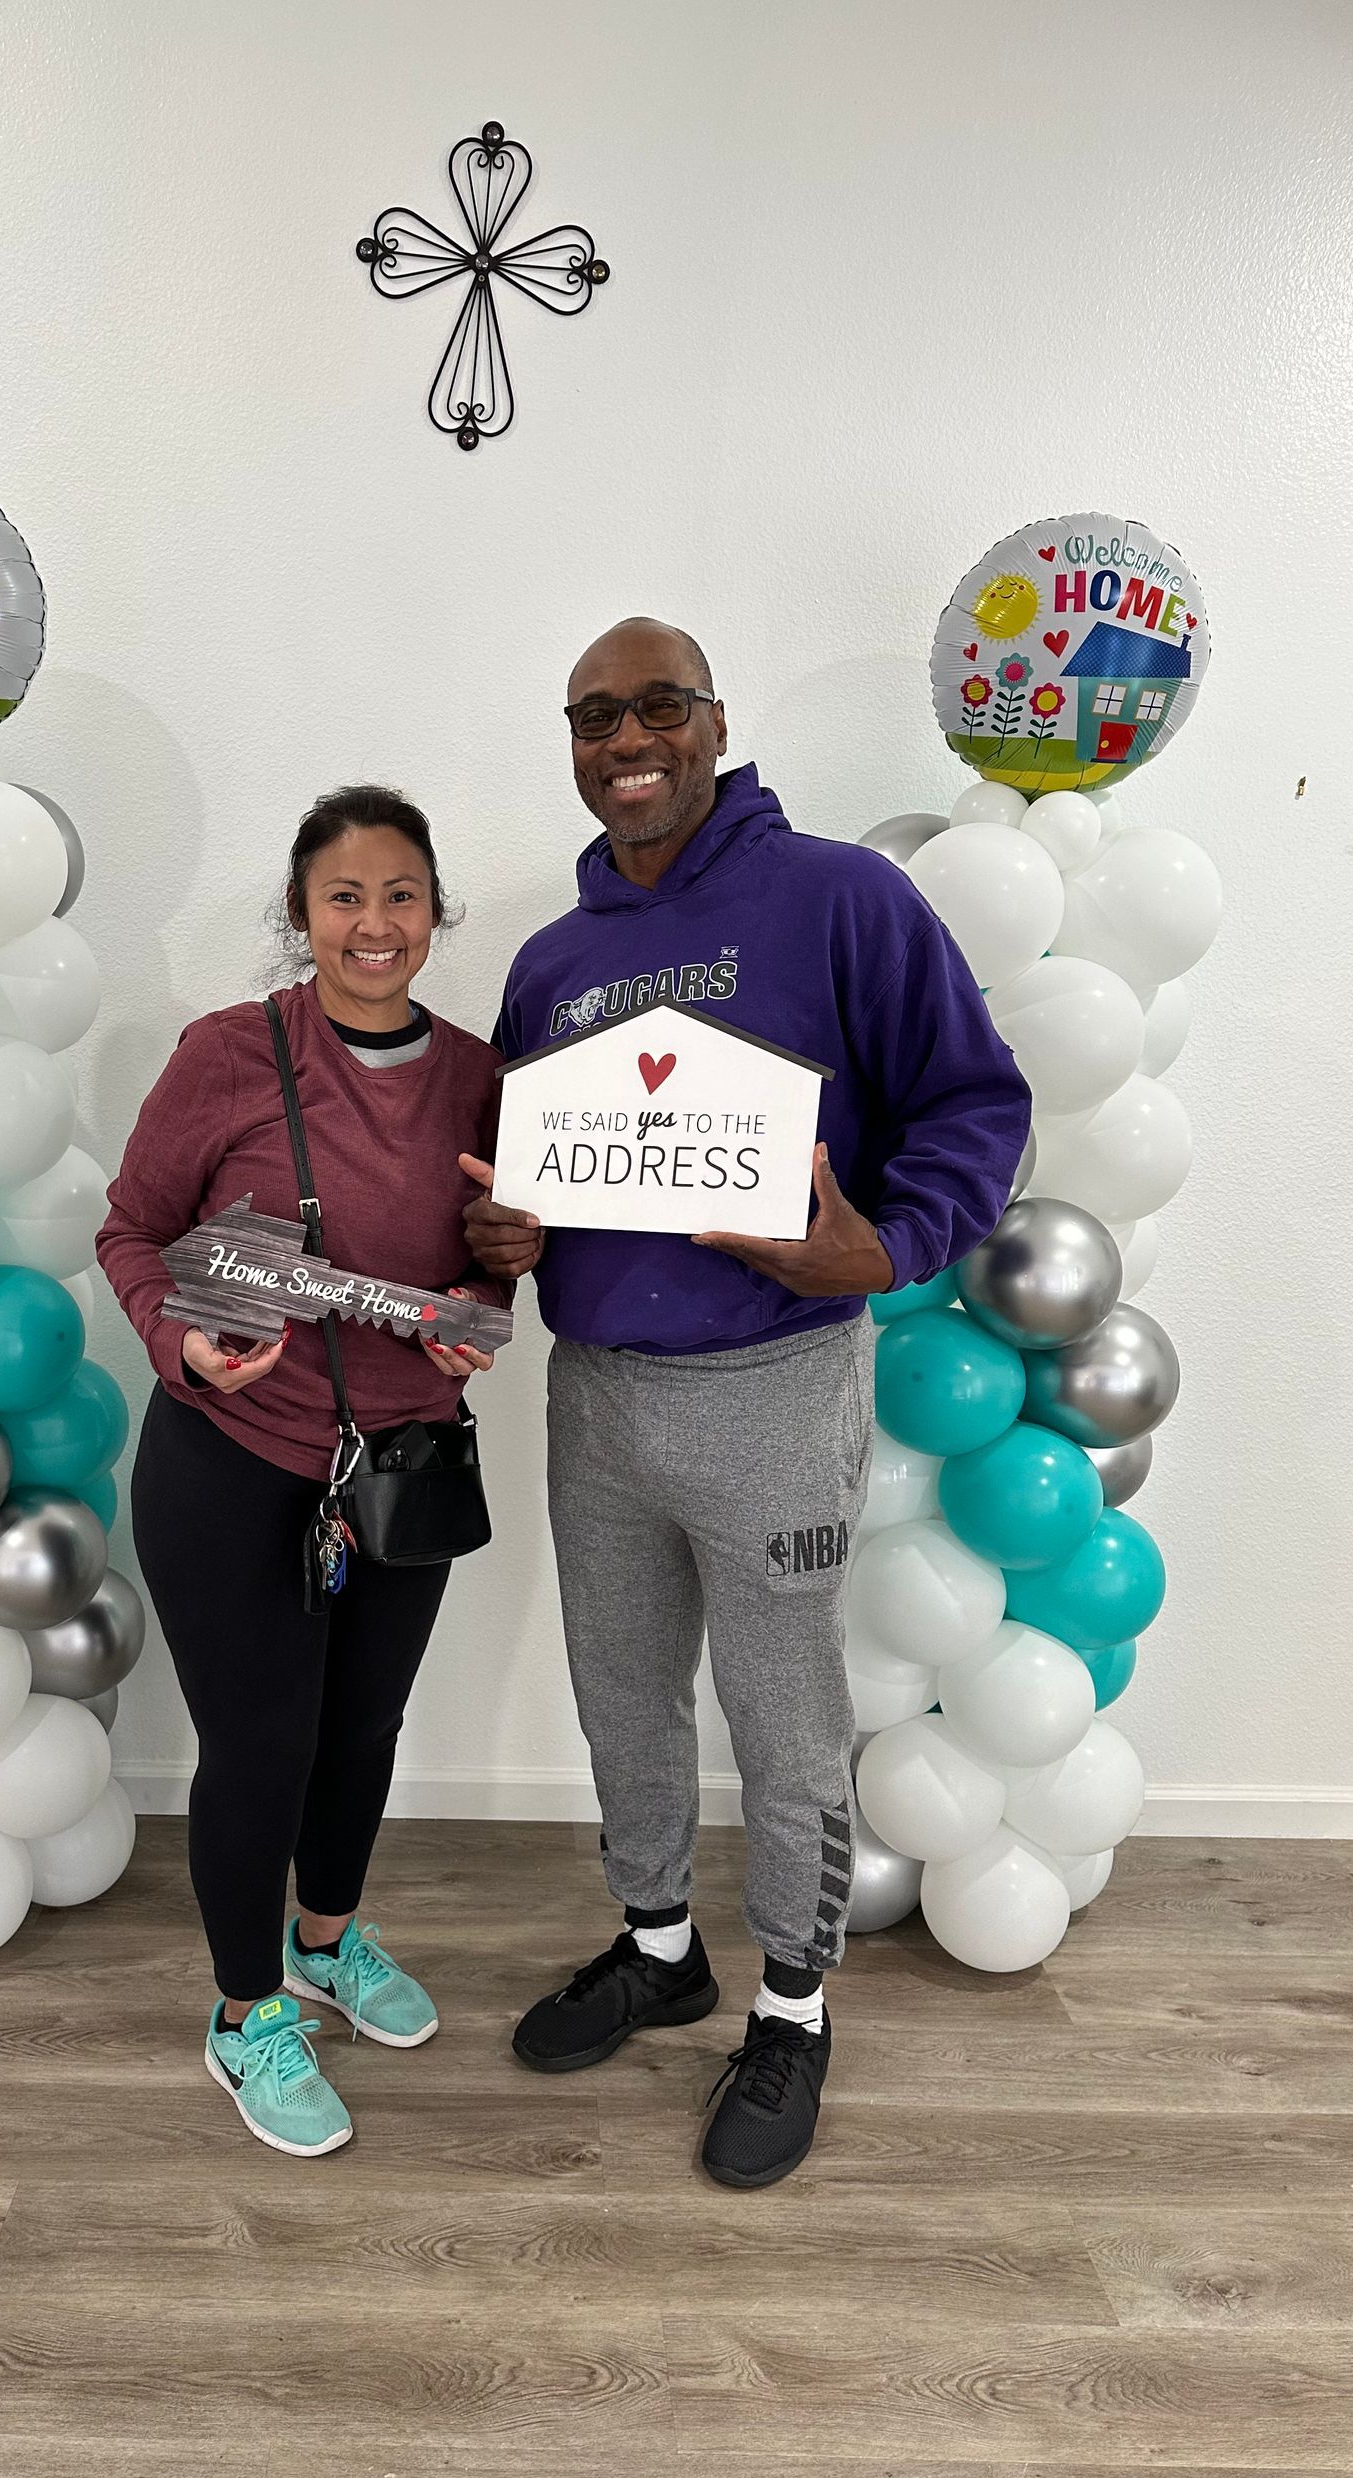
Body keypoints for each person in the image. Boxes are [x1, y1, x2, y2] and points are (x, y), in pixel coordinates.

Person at [462, 620, 1030, 2189]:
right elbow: (522, 1176)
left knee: (784, 1719)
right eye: (593, 717)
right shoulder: (551, 964)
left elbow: (974, 1101)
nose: (626, 740)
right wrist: (501, 1235)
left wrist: (891, 1246)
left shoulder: (842, 900)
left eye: (659, 706)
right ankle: (659, 1945)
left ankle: (792, 2004)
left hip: (774, 1383)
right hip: (599, 1393)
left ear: (714, 722)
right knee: (622, 1691)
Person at [98, 785, 506, 2159]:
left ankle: (325, 1945)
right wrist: (178, 1343)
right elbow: (132, 1231)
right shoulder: (228, 1054)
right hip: (231, 1458)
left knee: (363, 1730)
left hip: (401, 1465)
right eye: (344, 897)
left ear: (434, 914)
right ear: (300, 913)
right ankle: (245, 2012)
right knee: (261, 1745)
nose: (373, 924)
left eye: (401, 895)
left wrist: (478, 1309)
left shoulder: (483, 1078)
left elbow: (494, 1258)